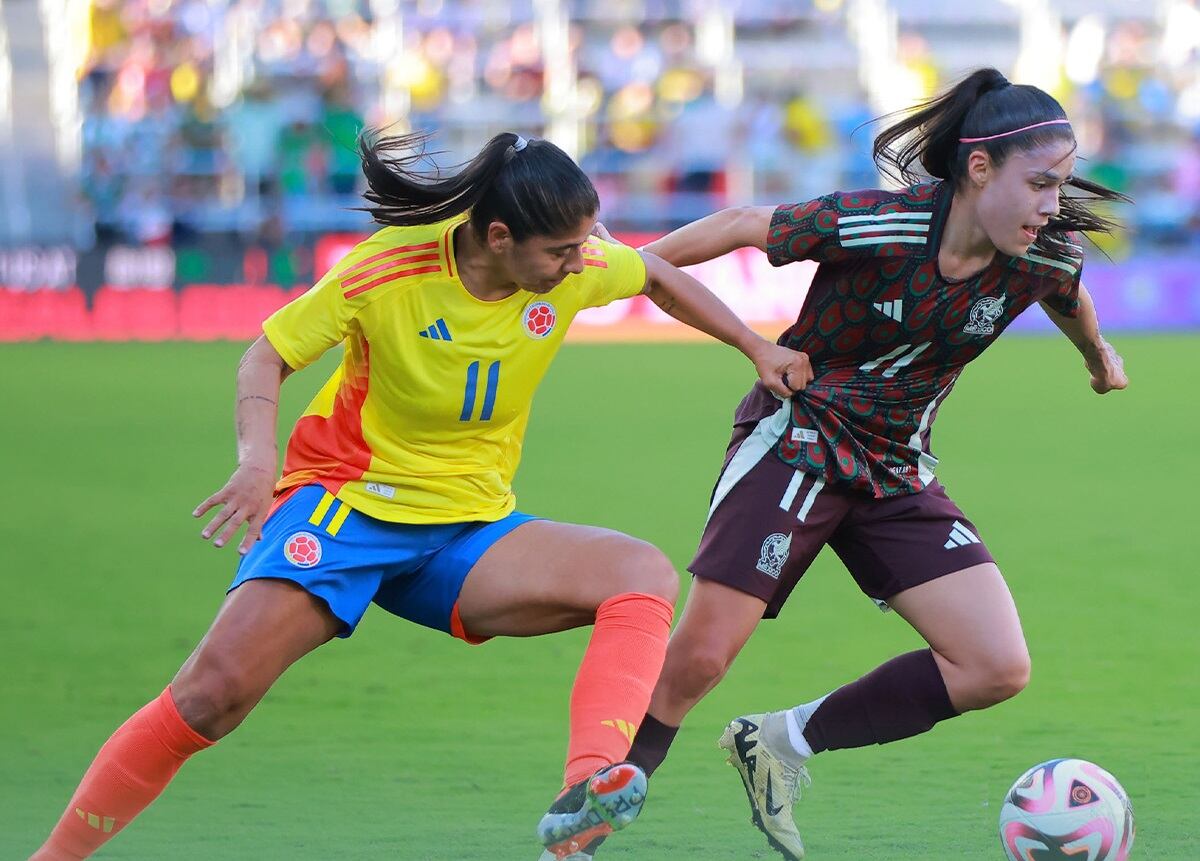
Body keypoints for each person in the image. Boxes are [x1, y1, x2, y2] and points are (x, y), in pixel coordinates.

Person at [29, 130, 812, 861]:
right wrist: (253, 460)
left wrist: (754, 346)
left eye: (586, 244)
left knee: (640, 573)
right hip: (347, 508)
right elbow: (266, 354)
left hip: (467, 528)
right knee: (210, 696)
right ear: (499, 238)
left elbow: (657, 274)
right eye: (563, 251)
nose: (583, 264)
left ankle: (588, 788)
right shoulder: (387, 269)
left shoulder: (571, 270)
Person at [611, 68, 1130, 860]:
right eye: (1041, 183)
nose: (1053, 205)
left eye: (1060, 185)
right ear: (979, 168)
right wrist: (629, 269)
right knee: (702, 658)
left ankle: (780, 741)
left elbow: (1070, 299)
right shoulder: (876, 225)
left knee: (995, 664)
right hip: (798, 442)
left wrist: (1098, 358)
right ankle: (602, 800)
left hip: (896, 468)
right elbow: (751, 223)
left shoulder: (1041, 258)